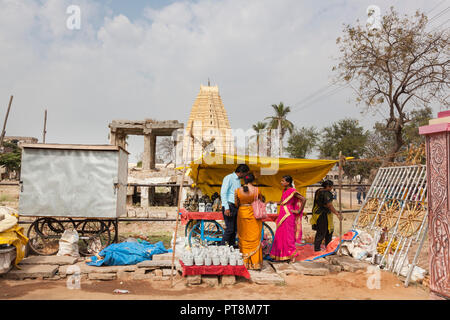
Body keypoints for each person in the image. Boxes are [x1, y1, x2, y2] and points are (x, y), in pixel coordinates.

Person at [269, 175, 306, 262]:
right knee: (280, 234)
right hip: (282, 213)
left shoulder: (293, 191)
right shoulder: (284, 190)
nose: (281, 182)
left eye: (283, 181)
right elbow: (282, 202)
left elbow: (304, 199)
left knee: (288, 236)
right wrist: (273, 202)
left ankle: (292, 255)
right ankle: (281, 255)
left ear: (288, 182)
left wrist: (299, 211)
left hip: (288, 215)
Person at [235, 173, 263, 270]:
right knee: (254, 237)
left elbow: (236, 203)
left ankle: (245, 262)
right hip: (253, 215)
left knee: (243, 237)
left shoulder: (238, 190)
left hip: (242, 214)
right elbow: (261, 201)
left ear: (244, 181)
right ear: (253, 180)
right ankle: (255, 263)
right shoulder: (257, 190)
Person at [220, 164, 250, 247]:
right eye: (245, 174)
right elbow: (223, 193)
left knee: (234, 229)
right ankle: (222, 248)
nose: (246, 176)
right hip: (229, 206)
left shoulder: (238, 180)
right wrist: (226, 208)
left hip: (235, 206)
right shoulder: (229, 178)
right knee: (229, 229)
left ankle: (231, 247)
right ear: (241, 172)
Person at [309, 180, 343, 252]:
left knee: (323, 231)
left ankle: (323, 247)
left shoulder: (318, 191)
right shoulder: (326, 193)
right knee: (324, 231)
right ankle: (319, 249)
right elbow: (329, 205)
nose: (331, 188)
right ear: (328, 186)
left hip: (317, 213)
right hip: (323, 214)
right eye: (331, 187)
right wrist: (337, 213)